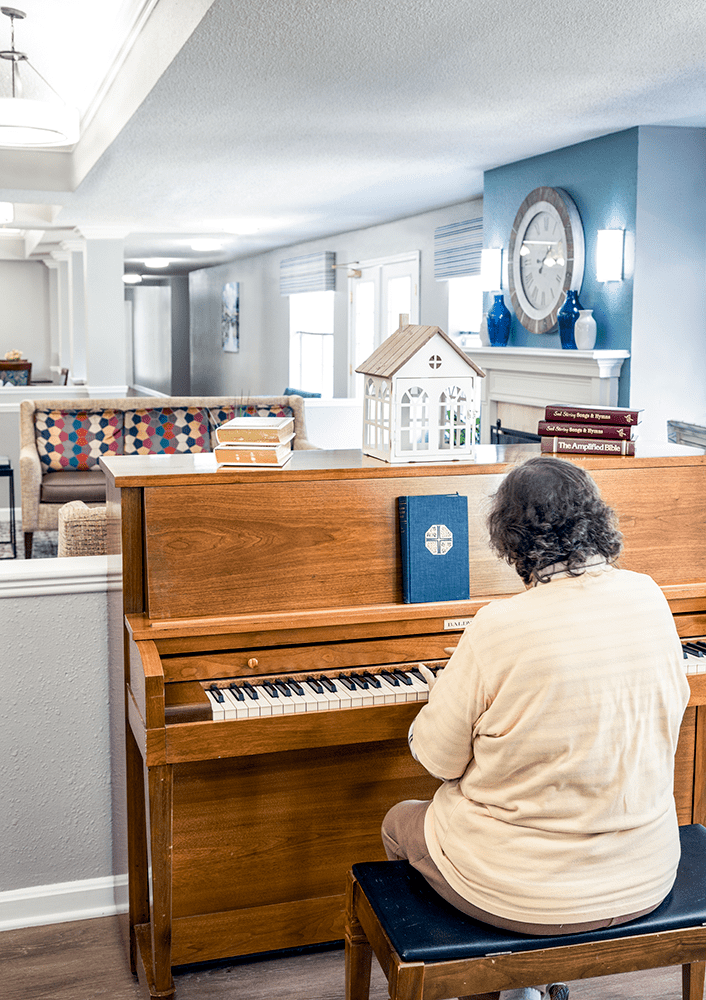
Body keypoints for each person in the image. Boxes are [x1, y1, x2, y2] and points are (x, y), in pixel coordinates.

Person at [382, 456, 690, 1000]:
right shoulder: (650, 595)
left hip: (522, 894)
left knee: (398, 821)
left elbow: (436, 760)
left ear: (510, 537)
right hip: (647, 872)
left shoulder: (498, 625)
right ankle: (535, 981)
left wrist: (456, 689)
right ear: (597, 519)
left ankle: (484, 978)